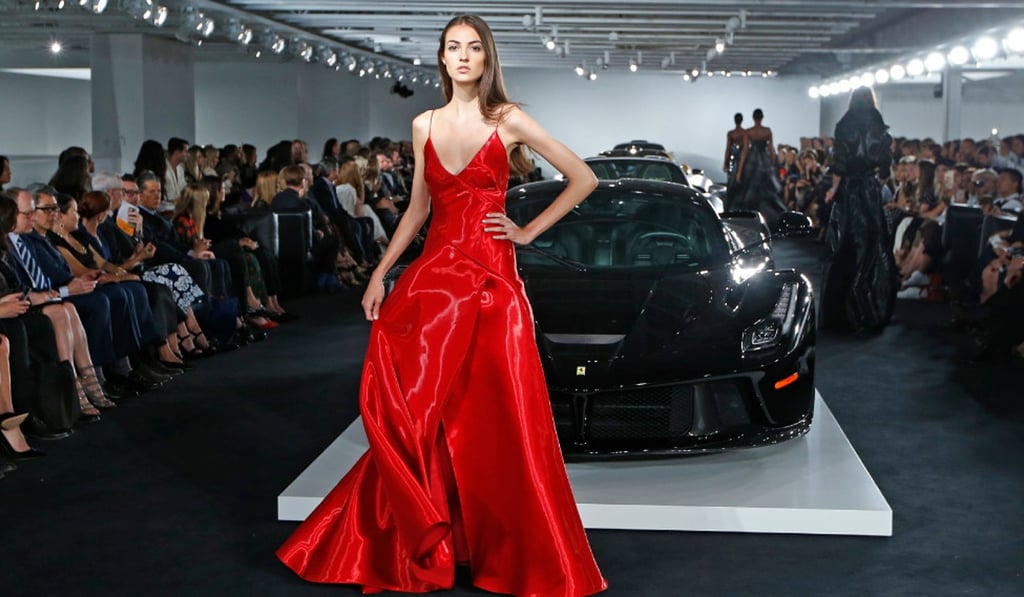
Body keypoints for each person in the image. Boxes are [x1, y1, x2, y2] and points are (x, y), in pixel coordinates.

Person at [277, 14, 607, 597]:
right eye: (453, 47)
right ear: (442, 58)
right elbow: (417, 210)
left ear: (486, 59)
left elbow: (582, 178)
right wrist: (380, 272)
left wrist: (527, 233)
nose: (462, 57)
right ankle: (433, 541)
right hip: (435, 286)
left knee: (502, 421)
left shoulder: (508, 120)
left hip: (493, 289)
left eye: (473, 48)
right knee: (426, 415)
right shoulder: (423, 123)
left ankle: (510, 551)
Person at [820, 87, 897, 332]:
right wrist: (877, 180)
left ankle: (842, 311)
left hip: (849, 194)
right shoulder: (879, 127)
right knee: (873, 248)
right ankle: (870, 308)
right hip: (869, 192)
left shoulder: (844, 126)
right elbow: (885, 168)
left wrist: (833, 190)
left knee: (844, 248)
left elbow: (839, 165)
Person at [734, 108, 787, 220]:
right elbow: (771, 149)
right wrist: (773, 165)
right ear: (762, 118)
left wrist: (739, 171)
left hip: (752, 159)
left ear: (753, 118)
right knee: (767, 188)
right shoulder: (767, 131)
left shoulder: (749, 131)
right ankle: (773, 215)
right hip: (764, 159)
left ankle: (749, 216)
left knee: (749, 187)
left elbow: (745, 151)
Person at [723, 112, 745, 205]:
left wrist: (726, 163)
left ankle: (729, 204)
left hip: (734, 162)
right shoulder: (745, 134)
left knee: (731, 186)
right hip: (743, 163)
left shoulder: (731, 133)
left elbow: (728, 149)